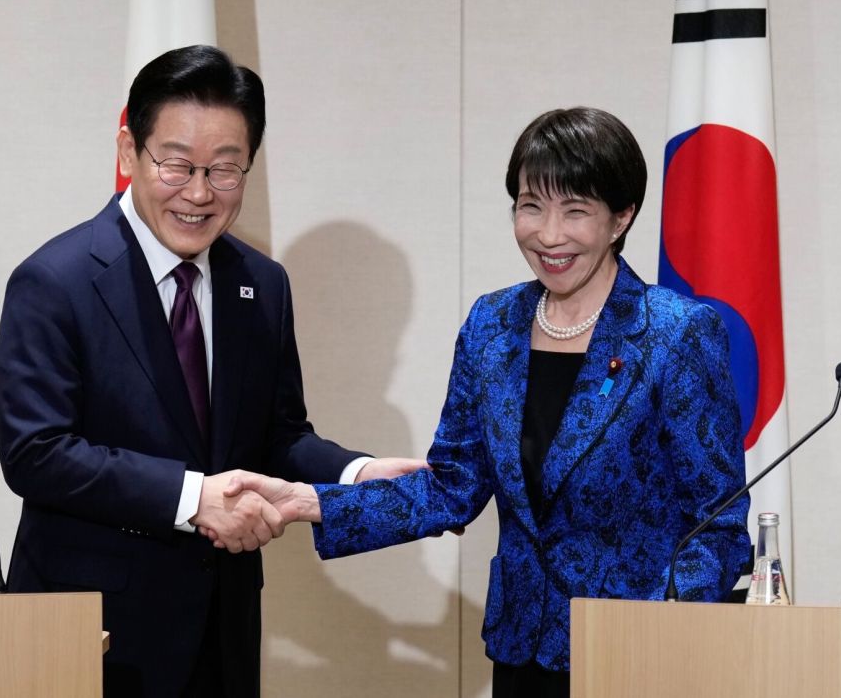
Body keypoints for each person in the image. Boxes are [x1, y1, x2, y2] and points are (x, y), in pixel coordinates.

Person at [220, 107, 752, 697]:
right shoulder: (492, 325)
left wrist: (662, 627)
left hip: (635, 658)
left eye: (575, 210)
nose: (548, 234)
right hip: (521, 650)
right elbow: (453, 486)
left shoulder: (676, 334)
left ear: (621, 217)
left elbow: (720, 523)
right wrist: (308, 501)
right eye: (531, 206)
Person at [0, 44, 424, 698]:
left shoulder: (262, 284)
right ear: (128, 151)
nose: (199, 193)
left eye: (225, 170)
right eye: (177, 164)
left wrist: (356, 476)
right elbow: (36, 453)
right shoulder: (55, 281)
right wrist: (194, 498)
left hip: (221, 634)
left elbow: (278, 436)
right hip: (90, 633)